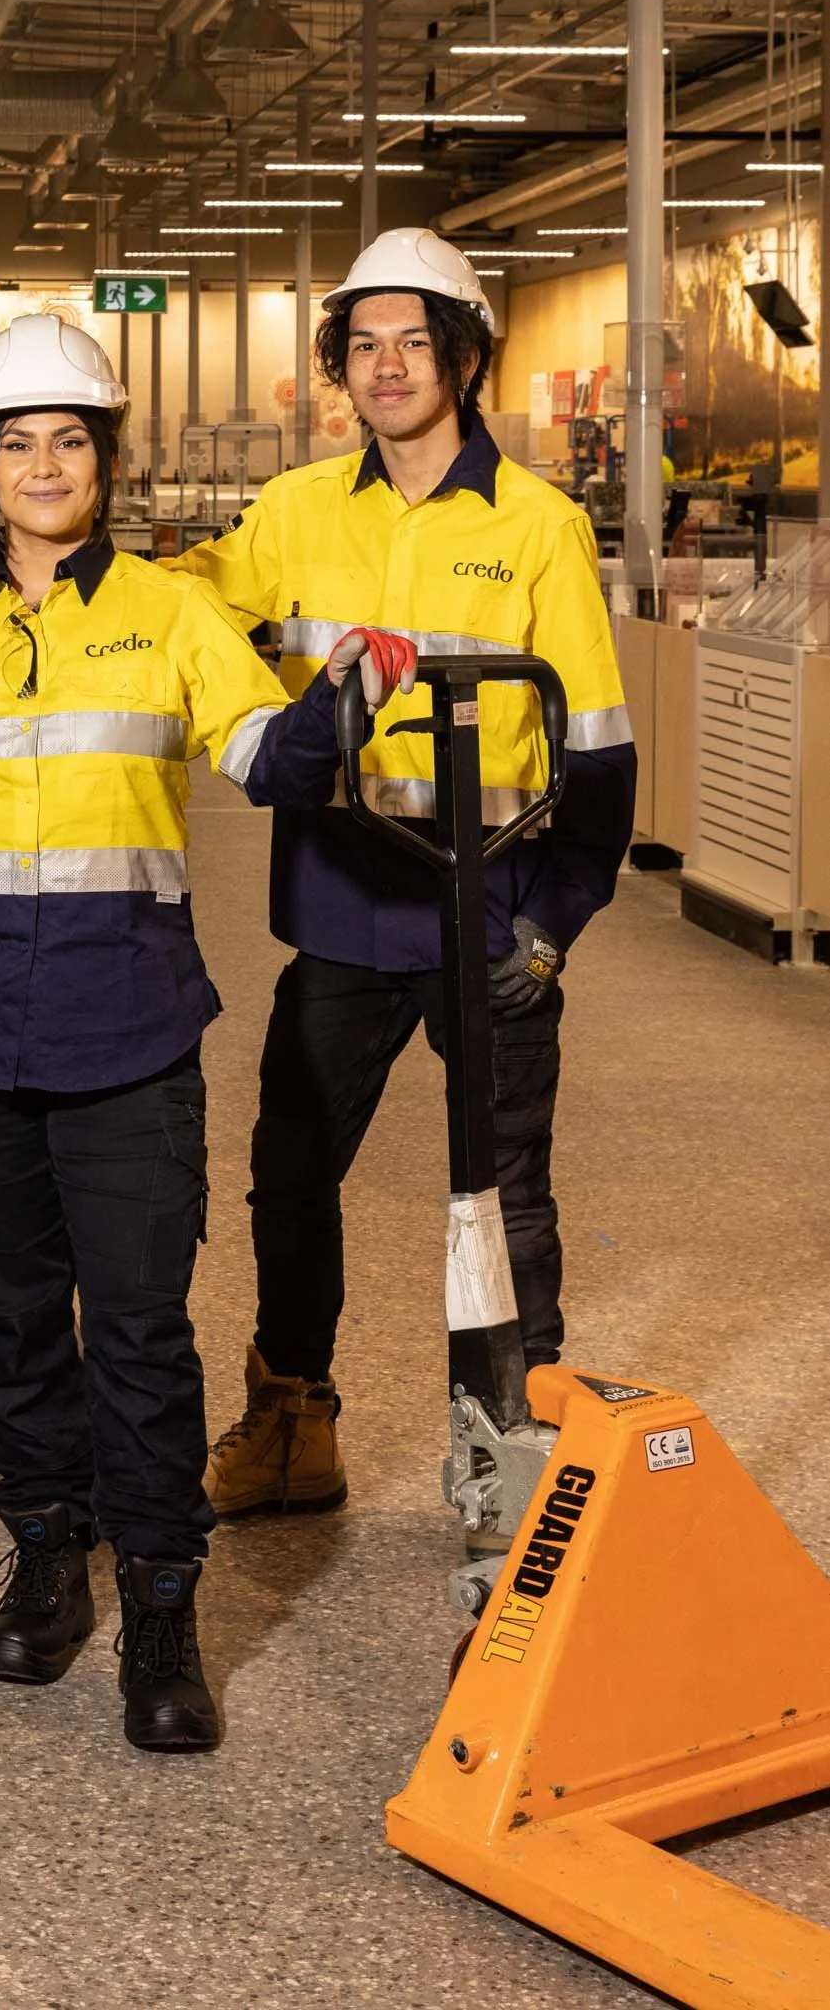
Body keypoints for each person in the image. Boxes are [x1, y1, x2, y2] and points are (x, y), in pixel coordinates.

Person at [0, 313, 410, 1751]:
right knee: (15, 1329)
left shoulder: (171, 613)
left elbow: (268, 758)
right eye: (15, 443)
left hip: (127, 1029)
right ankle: (44, 1554)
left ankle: (159, 1602)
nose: (41, 466)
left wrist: (346, 695)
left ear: (104, 462)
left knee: (141, 1334)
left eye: (67, 442)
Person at [174, 228, 636, 1521]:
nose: (384, 368)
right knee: (289, 1170)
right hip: (341, 904)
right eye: (361, 346)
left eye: (410, 342)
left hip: (490, 908)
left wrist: (550, 928)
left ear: (465, 356)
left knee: (503, 1196)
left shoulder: (539, 525)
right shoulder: (293, 512)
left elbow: (599, 758)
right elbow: (182, 606)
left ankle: (508, 1458)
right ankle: (289, 1427)